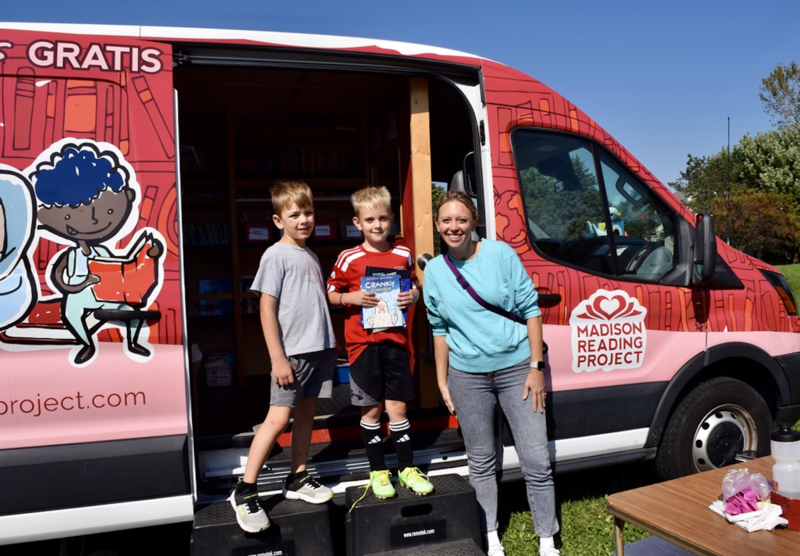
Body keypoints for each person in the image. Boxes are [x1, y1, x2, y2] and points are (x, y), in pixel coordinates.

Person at [422, 190, 560, 556]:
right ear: (438, 225)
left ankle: (546, 539)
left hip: (517, 369)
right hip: (467, 376)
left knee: (535, 460)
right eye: (446, 221)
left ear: (474, 223)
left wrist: (536, 367)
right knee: (481, 463)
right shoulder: (434, 270)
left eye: (461, 220)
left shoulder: (500, 254)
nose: (454, 227)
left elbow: (531, 310)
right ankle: (489, 536)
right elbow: (439, 329)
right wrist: (441, 380)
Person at [229, 181, 337, 533]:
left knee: (306, 414)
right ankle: (245, 490)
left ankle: (297, 477)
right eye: (294, 215)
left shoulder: (312, 254)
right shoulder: (274, 255)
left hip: (319, 350)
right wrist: (277, 357)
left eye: (308, 212)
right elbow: (266, 308)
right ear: (278, 220)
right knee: (276, 420)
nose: (303, 220)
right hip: (292, 356)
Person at [327, 186, 433, 499]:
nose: (377, 225)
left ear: (392, 220)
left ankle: (407, 468)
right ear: (357, 222)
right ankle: (377, 471)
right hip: (363, 346)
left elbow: (414, 288)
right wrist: (350, 297)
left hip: (396, 344)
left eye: (383, 218)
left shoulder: (403, 254)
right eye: (370, 219)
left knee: (399, 408)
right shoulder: (349, 257)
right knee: (371, 412)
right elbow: (330, 293)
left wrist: (412, 296)